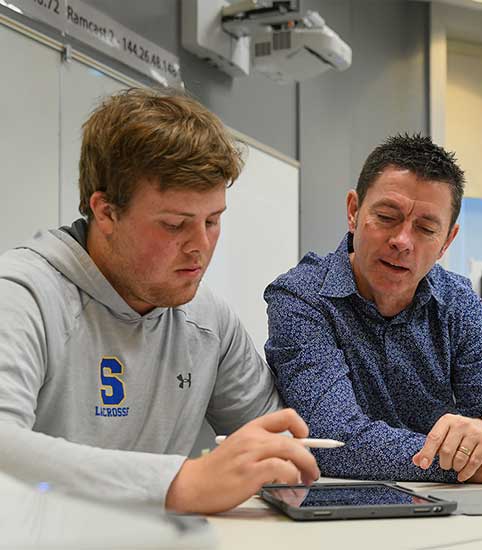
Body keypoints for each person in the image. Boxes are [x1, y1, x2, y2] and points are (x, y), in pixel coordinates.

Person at [0, 88, 319, 514]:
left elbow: (274, 444)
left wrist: (279, 461)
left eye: (213, 220)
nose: (200, 247)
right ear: (105, 212)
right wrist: (177, 484)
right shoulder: (22, 295)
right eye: (174, 225)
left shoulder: (208, 319)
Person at [264, 134, 482, 485]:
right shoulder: (301, 298)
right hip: (339, 506)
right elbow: (333, 439)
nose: (402, 241)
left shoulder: (459, 303)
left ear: (447, 240)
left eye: (426, 228)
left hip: (451, 505)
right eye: (387, 217)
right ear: (353, 211)